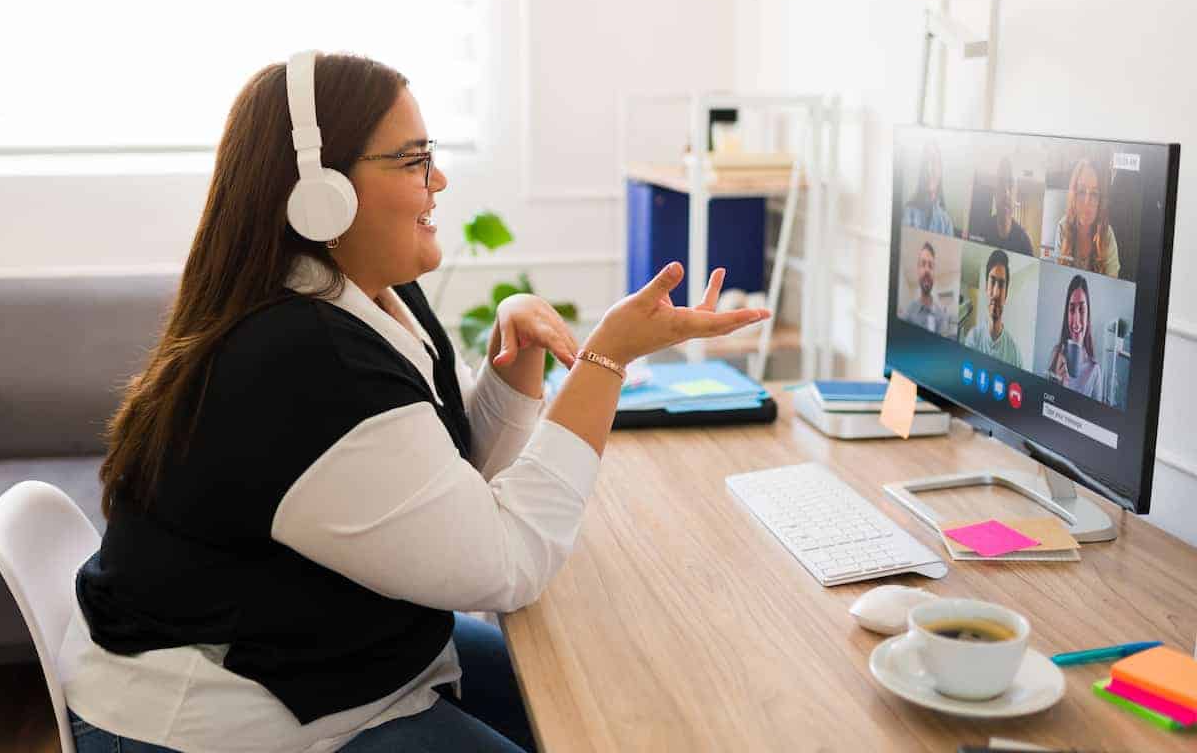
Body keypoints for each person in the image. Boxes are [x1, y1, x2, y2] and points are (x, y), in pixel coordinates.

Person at [58, 51, 769, 753]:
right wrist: (606, 359)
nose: (441, 180)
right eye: (413, 160)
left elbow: (457, 478)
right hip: (227, 719)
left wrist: (515, 366)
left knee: (606, 699)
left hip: (331, 654)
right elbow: (507, 564)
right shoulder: (306, 361)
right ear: (321, 191)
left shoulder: (366, 297)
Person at [1052, 158, 1120, 277]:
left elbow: (1111, 288)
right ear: (1073, 195)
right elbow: (1058, 276)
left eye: (1094, 194)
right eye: (1082, 192)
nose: (1087, 202)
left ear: (1100, 201)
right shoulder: (1063, 227)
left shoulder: (1107, 234)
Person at [1046, 275, 1105, 402]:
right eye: (1072, 310)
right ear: (1066, 314)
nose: (1076, 322)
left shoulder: (1095, 371)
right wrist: (1058, 384)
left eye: (1082, 309)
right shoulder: (1055, 355)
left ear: (1088, 314)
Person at [962, 248, 1023, 368]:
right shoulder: (972, 338)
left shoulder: (1015, 353)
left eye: (1001, 284)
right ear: (986, 287)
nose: (995, 293)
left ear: (1006, 294)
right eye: (992, 281)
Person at [969, 158, 1033, 256]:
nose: (1006, 192)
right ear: (995, 192)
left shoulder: (1024, 242)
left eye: (1010, 185)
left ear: (1016, 193)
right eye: (1001, 184)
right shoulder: (979, 231)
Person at [902, 141, 957, 236]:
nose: (928, 169)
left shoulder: (947, 223)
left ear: (940, 170)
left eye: (934, 161)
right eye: (925, 163)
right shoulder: (908, 213)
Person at [899, 241, 951, 336]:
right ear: (918, 271)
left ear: (934, 274)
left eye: (930, 266)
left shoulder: (942, 317)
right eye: (923, 264)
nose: (927, 270)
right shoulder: (908, 312)